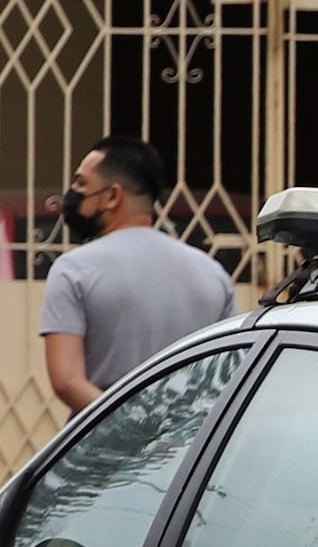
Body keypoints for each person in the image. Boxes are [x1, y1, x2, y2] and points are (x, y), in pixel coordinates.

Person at [39, 132, 231, 410]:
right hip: (193, 443)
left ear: (112, 196)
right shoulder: (213, 274)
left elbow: (67, 381)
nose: (73, 192)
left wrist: (128, 428)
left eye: (81, 183)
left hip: (105, 447)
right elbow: (227, 374)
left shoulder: (74, 270)